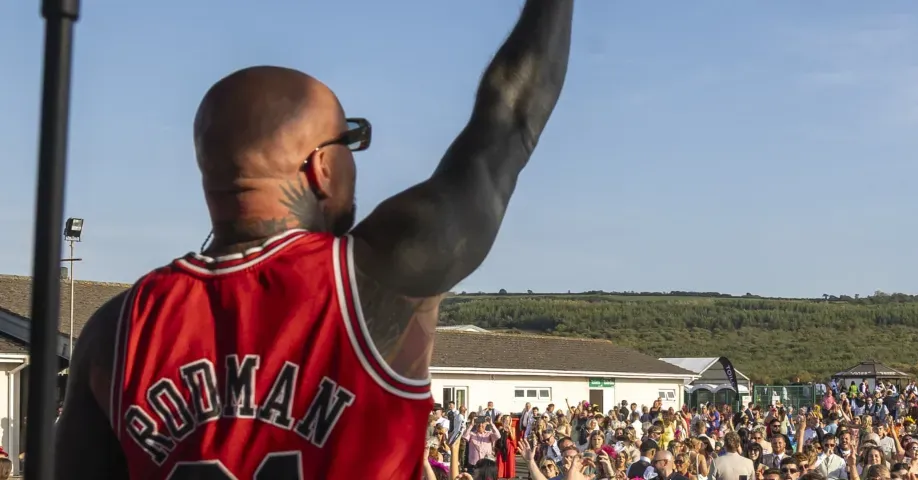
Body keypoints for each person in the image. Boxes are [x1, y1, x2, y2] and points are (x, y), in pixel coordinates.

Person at [51, 1, 573, 478]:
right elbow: (508, 124)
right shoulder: (374, 278)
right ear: (320, 167)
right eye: (351, 141)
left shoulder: (116, 332)